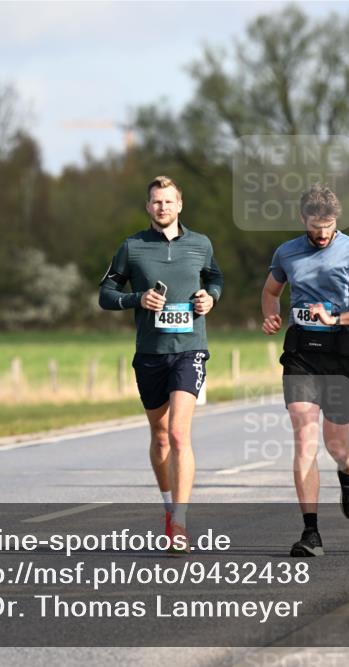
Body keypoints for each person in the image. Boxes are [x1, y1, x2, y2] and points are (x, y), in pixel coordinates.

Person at [98, 175, 223, 551]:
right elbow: (105, 294)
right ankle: (170, 508)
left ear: (179, 205)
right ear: (148, 207)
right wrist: (136, 299)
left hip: (190, 348)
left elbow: (214, 277)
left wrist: (210, 298)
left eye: (169, 201)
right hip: (150, 353)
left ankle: (181, 524)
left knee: (180, 434)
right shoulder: (132, 247)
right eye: (156, 202)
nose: (163, 207)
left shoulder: (200, 243)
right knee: (160, 436)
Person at [260, 184, 349, 557]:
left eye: (328, 225)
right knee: (304, 437)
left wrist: (338, 318)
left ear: (337, 220)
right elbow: (271, 291)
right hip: (301, 352)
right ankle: (310, 533)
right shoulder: (287, 252)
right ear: (303, 220)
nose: (321, 233)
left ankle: (348, 472)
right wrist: (270, 313)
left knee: (336, 444)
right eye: (315, 226)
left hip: (342, 353)